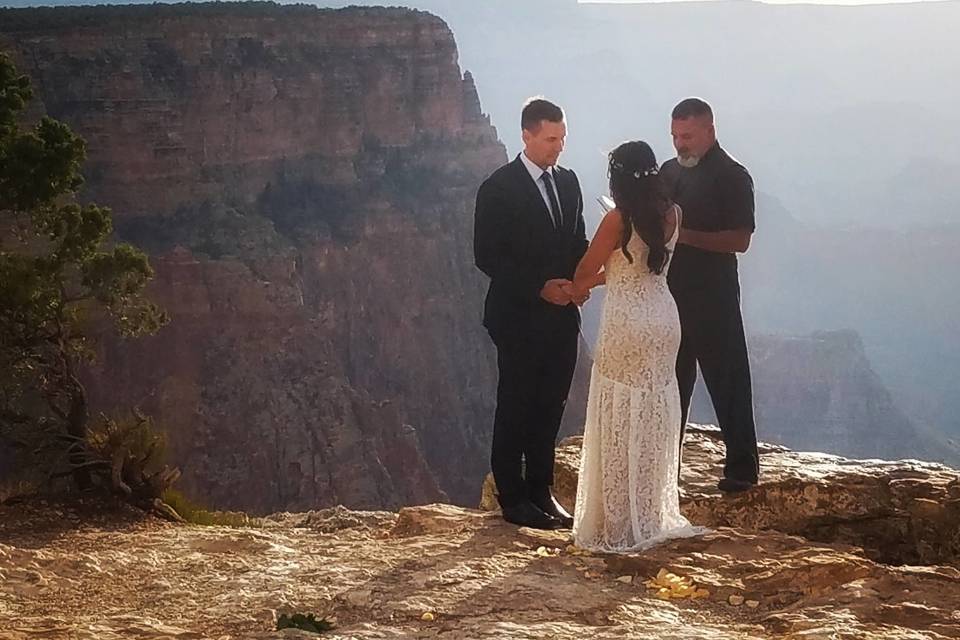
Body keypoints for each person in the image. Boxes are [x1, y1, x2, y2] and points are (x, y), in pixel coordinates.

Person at [569, 140, 705, 551]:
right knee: (653, 412)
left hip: (626, 324)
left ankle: (618, 522)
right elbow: (641, 266)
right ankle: (649, 511)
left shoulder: (617, 219)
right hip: (664, 320)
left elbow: (586, 269)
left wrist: (578, 286)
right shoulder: (673, 215)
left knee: (618, 411)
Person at [474, 97, 588, 530]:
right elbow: (487, 255)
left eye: (562, 138)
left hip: (562, 316)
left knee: (551, 405)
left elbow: (575, 240)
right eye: (550, 139)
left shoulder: (569, 182)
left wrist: (581, 280)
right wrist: (540, 286)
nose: (558, 147)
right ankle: (512, 498)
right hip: (518, 316)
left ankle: (542, 492)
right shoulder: (498, 188)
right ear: (527, 135)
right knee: (516, 405)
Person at [660, 98, 759, 493]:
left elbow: (740, 239)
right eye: (674, 136)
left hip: (714, 296)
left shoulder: (733, 176)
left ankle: (742, 470)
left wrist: (683, 237)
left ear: (710, 131)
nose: (679, 144)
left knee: (728, 379)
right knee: (671, 385)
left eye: (687, 136)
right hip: (669, 294)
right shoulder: (668, 172)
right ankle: (668, 469)